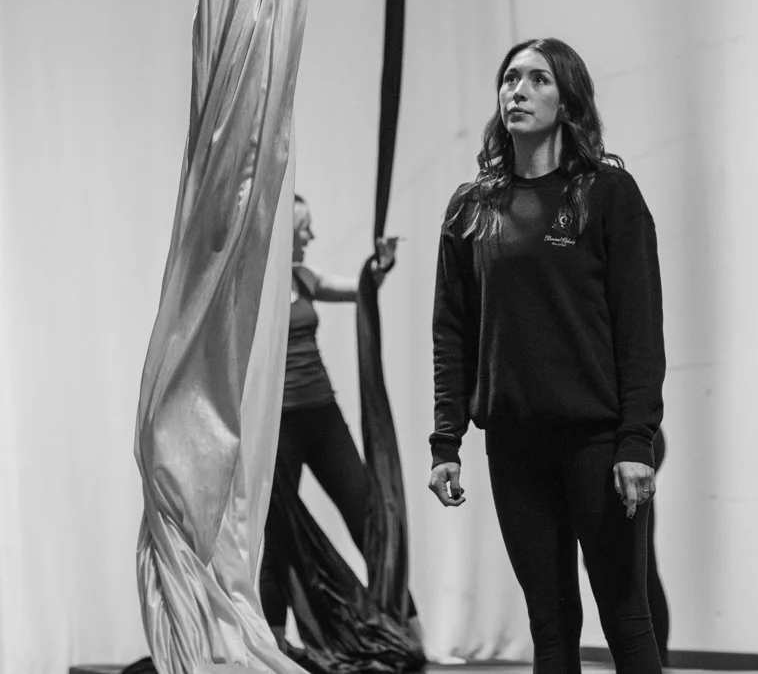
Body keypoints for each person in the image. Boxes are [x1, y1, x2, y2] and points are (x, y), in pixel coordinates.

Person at [428, 38, 664, 674]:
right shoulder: (471, 209)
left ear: (568, 100)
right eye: (510, 79)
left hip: (598, 442)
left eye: (538, 80)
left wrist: (636, 440)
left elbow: (640, 329)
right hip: (514, 446)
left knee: (626, 618)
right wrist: (446, 442)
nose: (519, 91)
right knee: (550, 627)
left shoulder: (607, 194)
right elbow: (451, 332)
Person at [259, 194, 399, 640]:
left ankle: (406, 628)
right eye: (305, 227)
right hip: (278, 426)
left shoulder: (304, 277)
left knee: (367, 519)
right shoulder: (251, 284)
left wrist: (379, 266)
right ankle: (275, 647)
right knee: (280, 536)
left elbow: (362, 289)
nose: (312, 235)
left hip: (322, 416)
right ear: (284, 230)